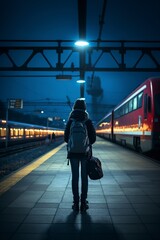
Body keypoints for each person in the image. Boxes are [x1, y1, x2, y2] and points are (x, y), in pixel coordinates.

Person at [64, 98, 96, 212]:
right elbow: (93, 139)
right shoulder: (87, 120)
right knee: (84, 178)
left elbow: (65, 138)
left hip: (73, 154)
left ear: (74, 107)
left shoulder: (70, 120)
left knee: (75, 178)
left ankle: (75, 203)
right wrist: (85, 143)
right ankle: (83, 203)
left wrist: (73, 143)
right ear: (84, 107)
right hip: (84, 153)